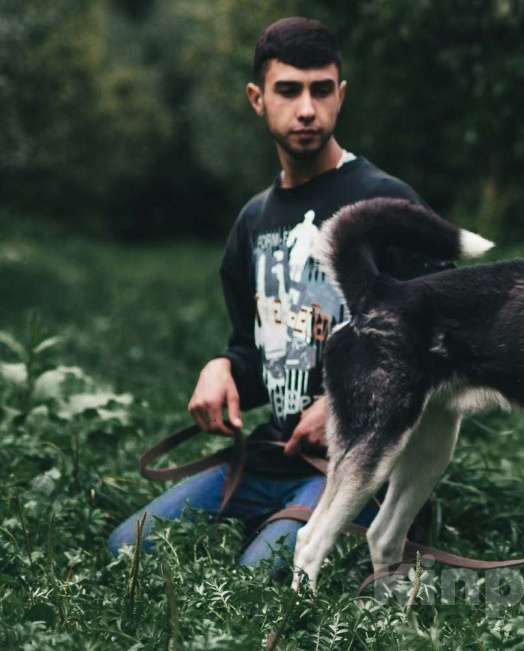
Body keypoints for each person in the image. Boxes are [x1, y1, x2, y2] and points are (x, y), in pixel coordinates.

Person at [108, 16, 446, 571]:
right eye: (288, 90)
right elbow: (258, 349)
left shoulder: (385, 203)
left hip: (359, 466)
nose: (307, 109)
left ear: (341, 94)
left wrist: (343, 406)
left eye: (321, 90)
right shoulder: (252, 222)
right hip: (268, 457)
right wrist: (222, 367)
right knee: (129, 550)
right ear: (257, 98)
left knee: (259, 577)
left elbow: (444, 340)